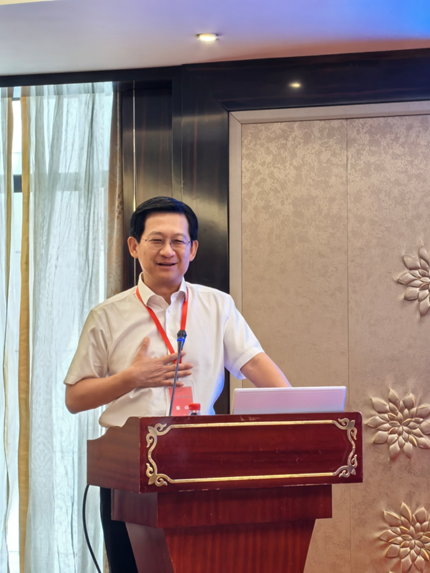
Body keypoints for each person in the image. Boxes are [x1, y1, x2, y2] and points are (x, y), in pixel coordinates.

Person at [64, 196, 290, 572]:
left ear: (193, 249)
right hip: (128, 469)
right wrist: (131, 378)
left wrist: (299, 411)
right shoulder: (107, 316)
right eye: (156, 240)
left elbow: (255, 364)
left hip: (202, 463)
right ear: (134, 246)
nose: (167, 251)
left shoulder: (218, 307)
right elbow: (75, 398)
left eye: (178, 241)